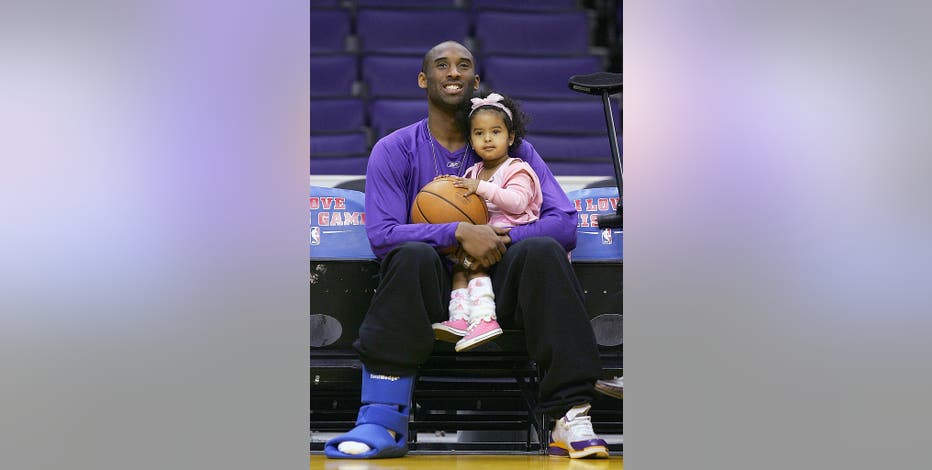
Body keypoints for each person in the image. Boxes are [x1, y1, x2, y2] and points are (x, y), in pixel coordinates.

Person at [324, 41, 608, 460]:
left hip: (502, 289)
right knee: (410, 255)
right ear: (425, 80)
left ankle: (570, 416)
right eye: (441, 65)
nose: (452, 72)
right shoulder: (394, 149)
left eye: (463, 66)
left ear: (475, 83)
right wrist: (457, 231)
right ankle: (381, 416)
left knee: (544, 250)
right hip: (433, 292)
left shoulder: (515, 150)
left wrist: (498, 238)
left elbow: (565, 221)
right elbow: (382, 235)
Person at [431, 91, 543, 353]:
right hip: (485, 237)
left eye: (496, 131)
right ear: (471, 139)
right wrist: (443, 188)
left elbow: (516, 202)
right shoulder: (474, 172)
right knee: (459, 266)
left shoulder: (518, 168)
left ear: (511, 137)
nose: (488, 138)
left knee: (476, 266)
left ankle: (484, 320)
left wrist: (481, 188)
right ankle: (460, 318)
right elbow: (463, 201)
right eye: (479, 133)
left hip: (511, 239)